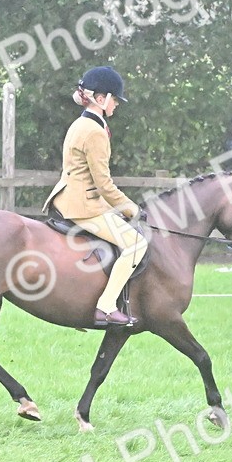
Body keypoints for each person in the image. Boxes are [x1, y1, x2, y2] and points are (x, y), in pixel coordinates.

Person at [43, 66, 149, 327]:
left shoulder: (81, 123)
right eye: (115, 100)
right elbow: (104, 184)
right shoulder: (94, 132)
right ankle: (106, 307)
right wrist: (132, 209)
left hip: (70, 196)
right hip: (83, 205)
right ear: (101, 99)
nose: (116, 105)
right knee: (136, 244)